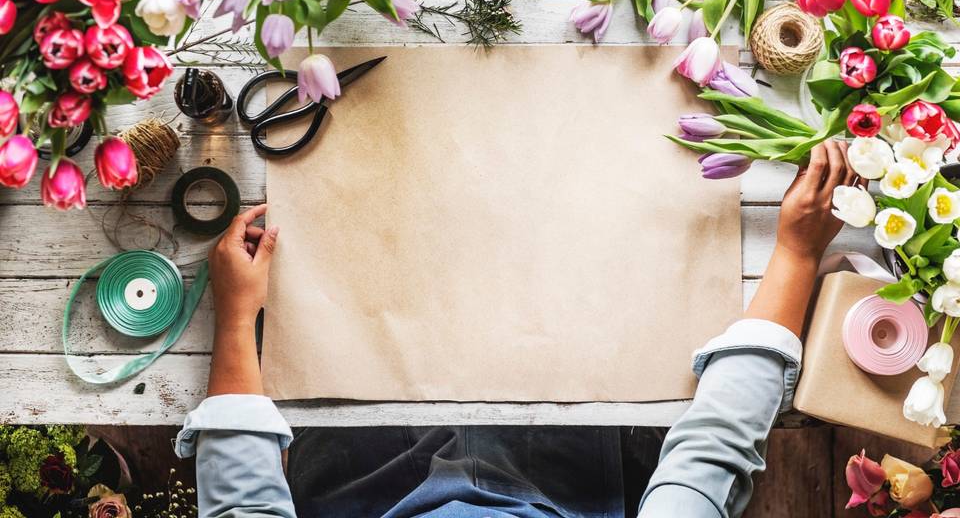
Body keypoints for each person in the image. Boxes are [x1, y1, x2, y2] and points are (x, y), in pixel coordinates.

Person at [175, 140, 859, 518]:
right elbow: (712, 452)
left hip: (366, 473)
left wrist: (236, 318)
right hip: (574, 468)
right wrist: (795, 254)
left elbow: (240, 505)